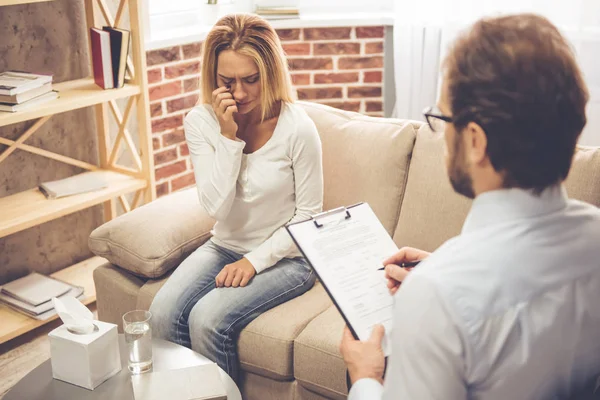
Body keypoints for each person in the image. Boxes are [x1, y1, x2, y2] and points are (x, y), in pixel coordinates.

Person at [341, 13, 600, 399]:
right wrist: (443, 272)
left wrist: (365, 378)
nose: (442, 135)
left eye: (443, 117)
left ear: (476, 140)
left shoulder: (435, 296)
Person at [149, 14, 323, 382]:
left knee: (208, 319)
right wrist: (228, 138)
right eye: (228, 81)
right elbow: (215, 207)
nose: (240, 93)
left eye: (251, 79)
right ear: (213, 78)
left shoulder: (298, 128)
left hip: (290, 258)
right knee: (161, 314)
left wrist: (254, 261)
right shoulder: (201, 122)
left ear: (270, 73)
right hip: (225, 246)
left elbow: (308, 216)